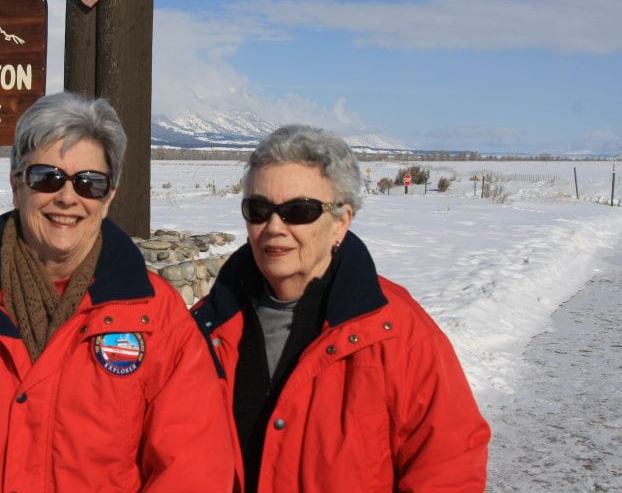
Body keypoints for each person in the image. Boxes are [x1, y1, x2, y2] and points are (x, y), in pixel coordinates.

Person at [0, 92, 234, 492]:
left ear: (108, 199)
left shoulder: (155, 315)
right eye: (46, 177)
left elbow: (194, 462)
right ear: (17, 185)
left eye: (90, 183)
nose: (67, 197)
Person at [192, 125, 490, 492]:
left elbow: (448, 466)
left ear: (341, 222)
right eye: (259, 209)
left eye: (298, 211)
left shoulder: (395, 331)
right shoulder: (205, 327)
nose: (274, 227)